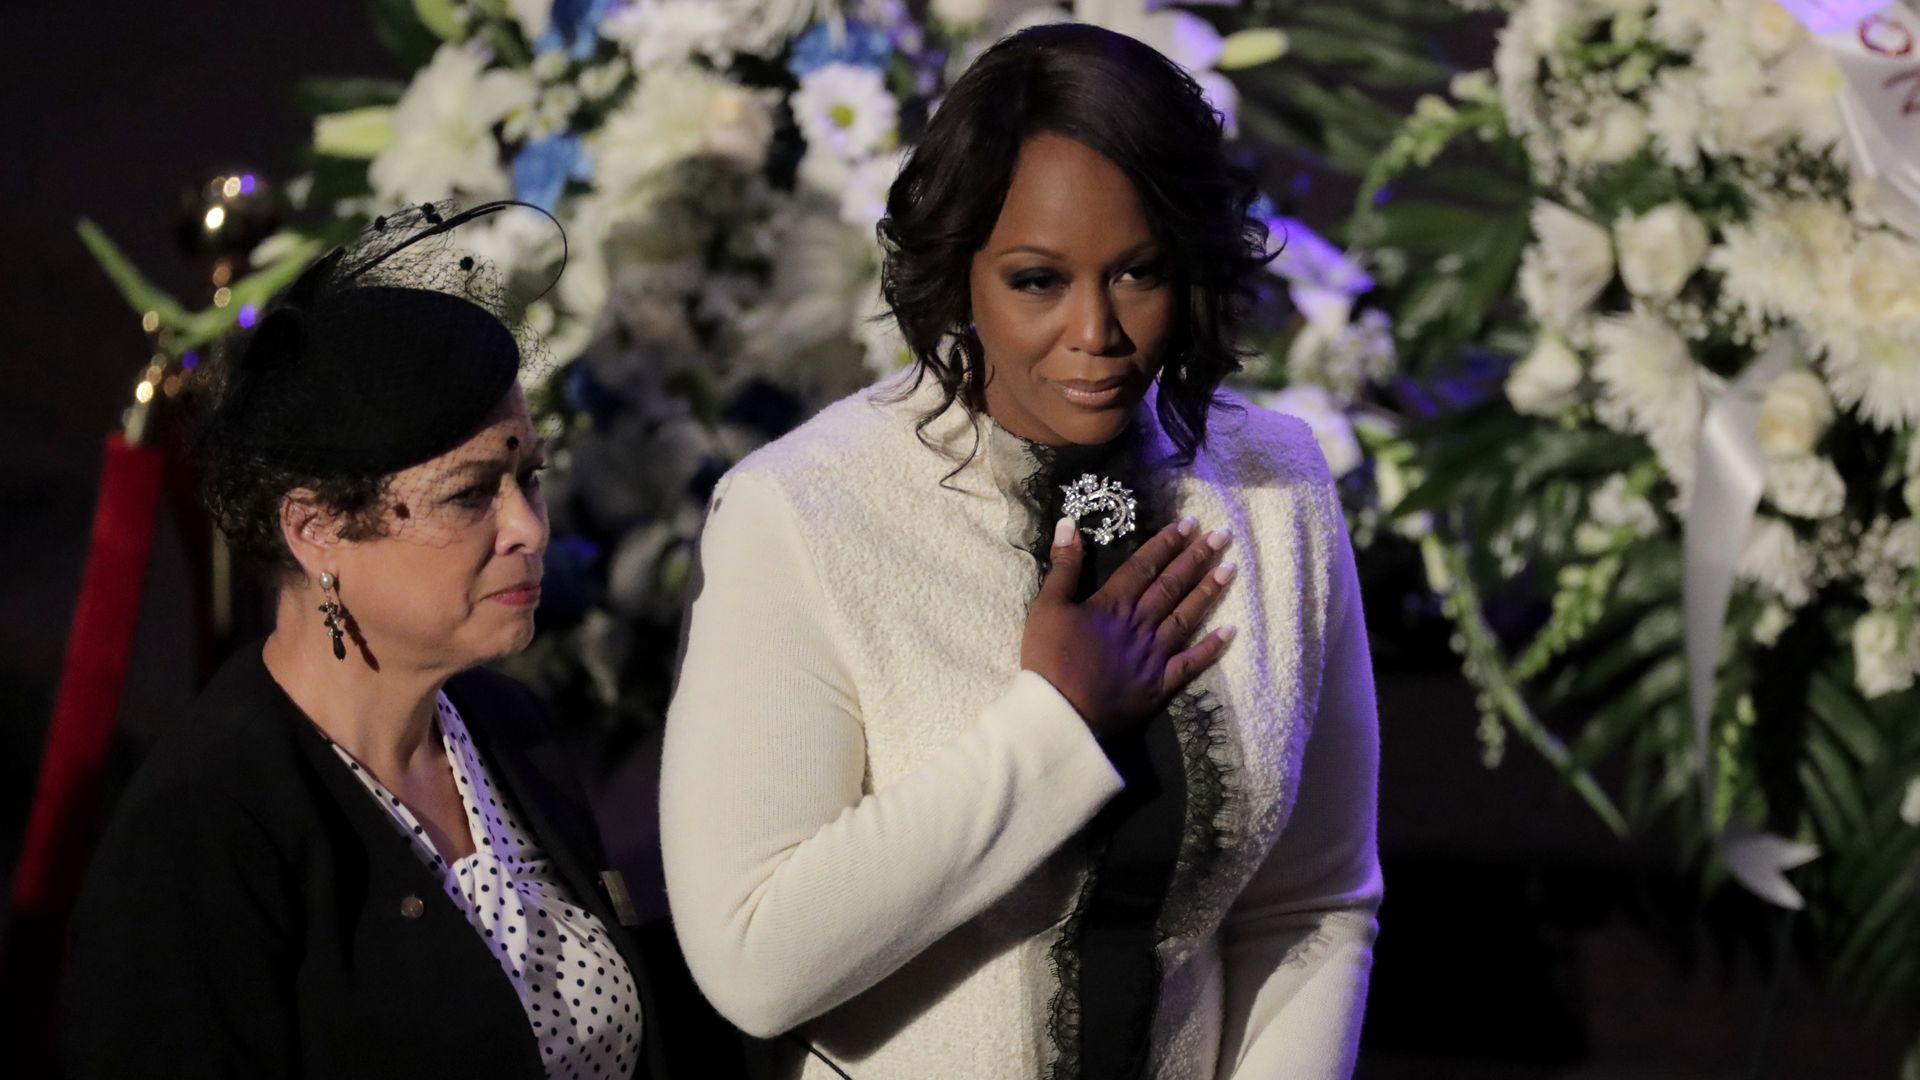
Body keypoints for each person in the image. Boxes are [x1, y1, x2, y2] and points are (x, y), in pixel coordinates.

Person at [660, 23, 1381, 1080]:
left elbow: (1313, 904)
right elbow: (754, 961)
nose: (1097, 332)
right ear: (961, 273)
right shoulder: (801, 511)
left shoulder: (1275, 487)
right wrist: (1057, 726)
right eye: (1038, 280)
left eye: (1139, 273)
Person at [61, 202, 747, 1080]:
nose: (528, 529)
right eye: (471, 494)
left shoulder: (504, 726)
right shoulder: (206, 834)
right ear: (315, 531)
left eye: (527, 479)